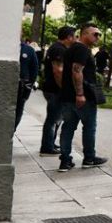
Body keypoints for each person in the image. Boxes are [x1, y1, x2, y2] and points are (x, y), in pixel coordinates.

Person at [58, 23, 107, 171]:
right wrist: (80, 94)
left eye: (99, 34)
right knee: (89, 128)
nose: (98, 37)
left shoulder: (72, 48)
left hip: (69, 96)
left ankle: (65, 161)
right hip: (82, 97)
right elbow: (76, 71)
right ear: (84, 34)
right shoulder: (82, 49)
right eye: (95, 34)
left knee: (68, 127)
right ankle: (89, 158)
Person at [39, 26, 77, 155]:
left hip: (53, 88)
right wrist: (64, 88)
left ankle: (50, 143)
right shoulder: (59, 49)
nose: (76, 39)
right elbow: (58, 71)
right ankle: (47, 147)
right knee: (53, 119)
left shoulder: (56, 48)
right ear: (69, 37)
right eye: (75, 36)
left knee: (55, 118)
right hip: (55, 90)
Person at [15, 38, 40, 129]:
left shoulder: (29, 50)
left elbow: (34, 70)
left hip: (22, 87)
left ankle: (13, 130)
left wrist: (28, 89)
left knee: (18, 110)